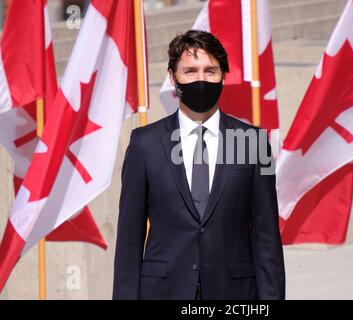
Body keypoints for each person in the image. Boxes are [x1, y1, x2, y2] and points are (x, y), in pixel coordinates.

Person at [113, 30, 285, 300]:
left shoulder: (253, 143)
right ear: (173, 77)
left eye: (210, 71)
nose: (201, 79)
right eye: (190, 71)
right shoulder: (144, 144)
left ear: (223, 76)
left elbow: (266, 239)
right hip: (163, 292)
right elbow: (129, 240)